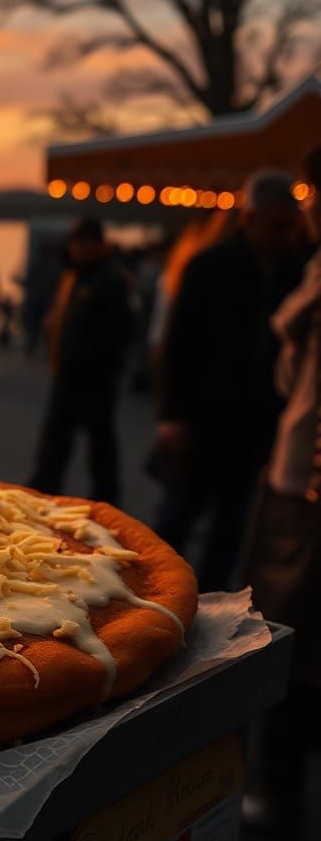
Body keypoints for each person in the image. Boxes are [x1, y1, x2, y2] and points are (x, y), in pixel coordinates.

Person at [154, 170, 305, 591]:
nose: (284, 235)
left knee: (232, 524)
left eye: (289, 225)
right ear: (249, 218)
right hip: (203, 419)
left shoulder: (295, 270)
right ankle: (158, 594)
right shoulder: (209, 266)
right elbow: (177, 344)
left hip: (258, 425)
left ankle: (212, 602)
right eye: (277, 225)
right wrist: (172, 416)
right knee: (178, 516)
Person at [242, 149, 321, 834]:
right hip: (294, 483)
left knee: (288, 637)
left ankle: (277, 783)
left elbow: (294, 386)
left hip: (304, 488)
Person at [29, 218, 134, 503]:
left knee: (100, 440)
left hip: (96, 378)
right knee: (56, 439)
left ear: (98, 245)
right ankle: (42, 491)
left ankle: (107, 498)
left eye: (83, 243)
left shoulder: (110, 280)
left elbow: (122, 330)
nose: (77, 249)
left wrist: (95, 360)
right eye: (75, 243)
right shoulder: (73, 276)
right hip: (67, 373)